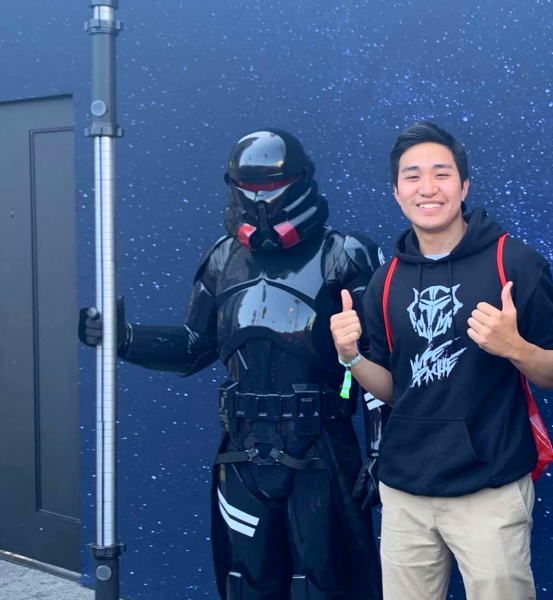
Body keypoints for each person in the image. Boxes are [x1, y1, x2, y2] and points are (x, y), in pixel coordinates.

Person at [78, 129, 384, 600]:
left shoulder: (344, 255)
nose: (260, 198)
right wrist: (128, 340)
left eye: (272, 185)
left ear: (301, 180)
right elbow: (196, 345)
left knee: (323, 584)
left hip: (320, 449)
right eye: (250, 186)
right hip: (242, 450)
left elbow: (376, 359)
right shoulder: (223, 258)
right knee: (246, 582)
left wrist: (381, 451)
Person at [328, 121, 553, 600]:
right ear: (396, 192)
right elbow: (396, 390)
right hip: (405, 496)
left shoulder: (514, 263)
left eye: (441, 174)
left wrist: (516, 348)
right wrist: (351, 357)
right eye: (413, 176)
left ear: (463, 186)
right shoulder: (385, 281)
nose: (427, 188)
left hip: (489, 494)